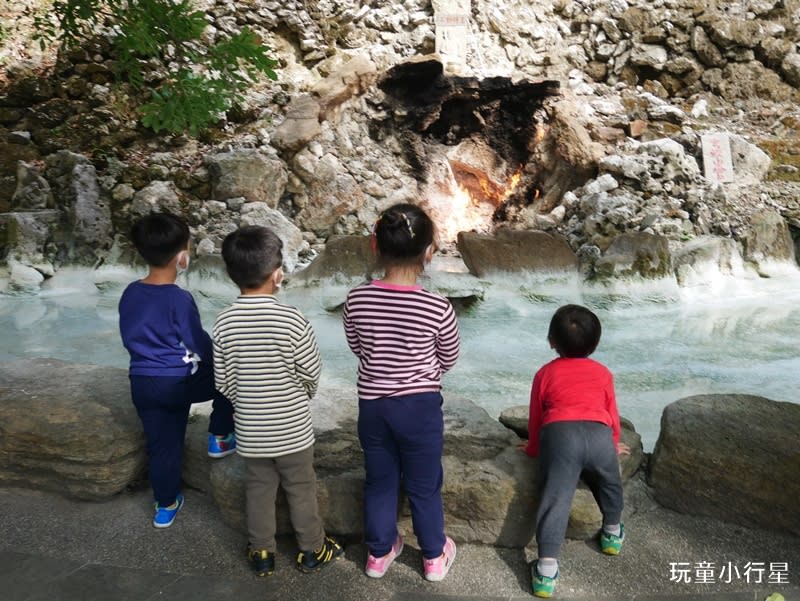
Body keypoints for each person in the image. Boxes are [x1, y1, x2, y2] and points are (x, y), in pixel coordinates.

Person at [213, 225, 343, 577]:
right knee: (301, 488)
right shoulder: (292, 320)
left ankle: (262, 553)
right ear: (278, 275)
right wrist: (300, 397)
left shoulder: (224, 322)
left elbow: (223, 382)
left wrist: (250, 402)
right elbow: (312, 371)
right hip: (293, 431)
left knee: (258, 490)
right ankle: (313, 549)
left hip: (252, 431)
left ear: (230, 275)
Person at [342, 203, 460, 581]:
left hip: (373, 406)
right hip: (420, 407)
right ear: (429, 252)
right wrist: (425, 373)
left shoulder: (356, 299)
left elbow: (357, 346)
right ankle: (432, 557)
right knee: (424, 485)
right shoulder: (437, 306)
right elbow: (449, 355)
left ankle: (378, 554)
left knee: (379, 479)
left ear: (375, 246)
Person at [118, 212, 236, 529]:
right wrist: (221, 358)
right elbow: (197, 342)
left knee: (161, 445)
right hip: (177, 383)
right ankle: (219, 436)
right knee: (228, 379)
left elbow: (129, 336)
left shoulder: (130, 292)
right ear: (183, 257)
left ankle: (165, 506)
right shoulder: (179, 298)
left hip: (141, 382)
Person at [524, 304, 630, 598]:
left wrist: (534, 448)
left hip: (560, 436)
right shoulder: (602, 372)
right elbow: (612, 411)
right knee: (610, 482)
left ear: (551, 341)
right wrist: (613, 442)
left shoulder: (545, 374)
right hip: (599, 435)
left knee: (556, 497)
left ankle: (546, 571)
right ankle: (611, 533)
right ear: (595, 344)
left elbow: (536, 417)